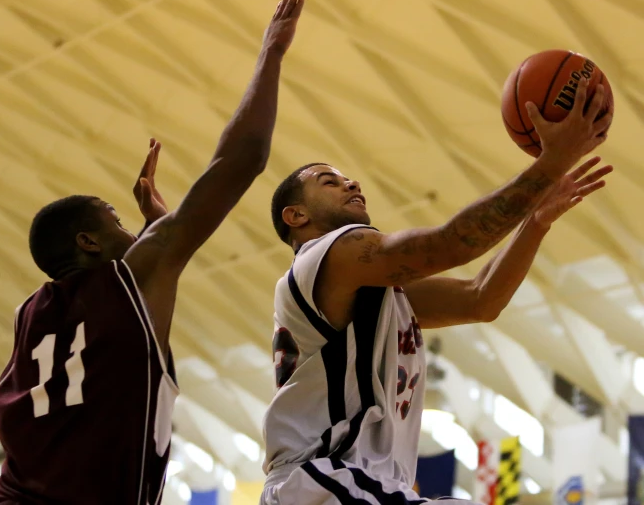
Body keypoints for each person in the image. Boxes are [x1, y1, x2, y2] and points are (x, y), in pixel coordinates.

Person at [0, 0, 305, 505]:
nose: (131, 232)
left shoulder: (32, 315)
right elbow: (242, 158)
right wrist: (272, 51)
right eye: (115, 219)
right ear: (88, 240)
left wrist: (164, 236)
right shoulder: (127, 279)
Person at [261, 78, 613, 504]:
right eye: (329, 181)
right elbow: (448, 245)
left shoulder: (368, 289)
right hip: (325, 479)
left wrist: (535, 222)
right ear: (295, 215)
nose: (352, 184)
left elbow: (480, 298)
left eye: (350, 179)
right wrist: (549, 166)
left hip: (354, 485)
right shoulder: (329, 254)